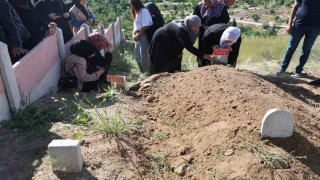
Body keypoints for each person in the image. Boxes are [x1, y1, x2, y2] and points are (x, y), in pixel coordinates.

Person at [149, 15, 216, 75]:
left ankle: (173, 74)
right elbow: (189, 46)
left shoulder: (187, 25)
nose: (197, 29)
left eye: (198, 27)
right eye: (195, 27)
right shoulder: (181, 29)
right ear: (190, 24)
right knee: (161, 60)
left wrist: (180, 51)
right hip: (161, 40)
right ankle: (158, 75)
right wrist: (205, 56)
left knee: (177, 57)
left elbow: (182, 41)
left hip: (172, 41)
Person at [276, 0, 320, 77]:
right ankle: (282, 68)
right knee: (291, 47)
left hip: (314, 27)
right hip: (299, 25)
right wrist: (289, 23)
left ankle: (299, 70)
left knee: (306, 49)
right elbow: (295, 7)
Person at [193, 0, 230, 67]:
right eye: (205, 1)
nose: (207, 3)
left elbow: (225, 20)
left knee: (215, 51)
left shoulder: (221, 6)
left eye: (209, 1)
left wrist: (214, 27)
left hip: (216, 34)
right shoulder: (199, 6)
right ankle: (201, 68)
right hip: (203, 34)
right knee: (203, 51)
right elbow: (195, 19)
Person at [130, 0, 153, 74]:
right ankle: (142, 72)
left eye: (131, 4)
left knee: (144, 56)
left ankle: (147, 73)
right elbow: (135, 26)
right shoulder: (137, 12)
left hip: (143, 36)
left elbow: (145, 25)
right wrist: (134, 35)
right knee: (137, 57)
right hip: (138, 36)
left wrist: (138, 35)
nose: (131, 6)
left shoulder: (144, 11)